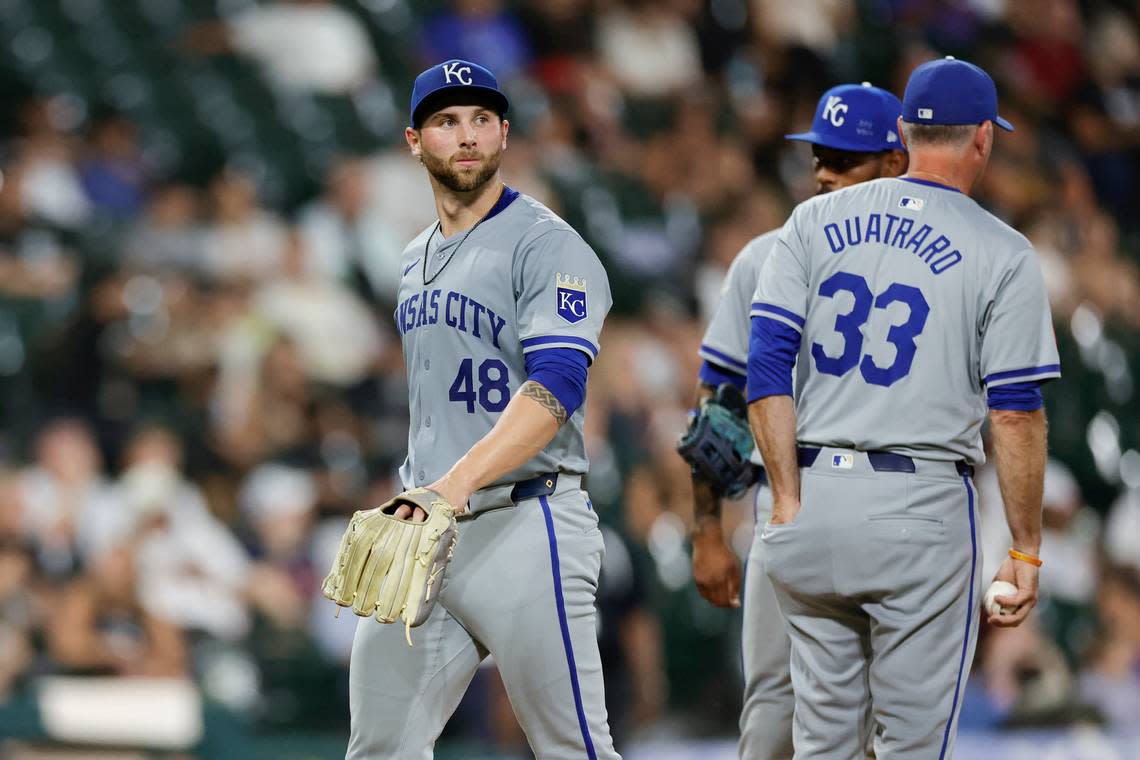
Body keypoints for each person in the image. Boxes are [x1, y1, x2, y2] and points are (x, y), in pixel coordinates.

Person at [747, 56, 1059, 758]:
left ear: (905, 132)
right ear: (983, 137)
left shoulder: (810, 220)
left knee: (823, 743)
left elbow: (765, 368)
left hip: (813, 494)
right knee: (909, 748)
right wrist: (1025, 547)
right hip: (918, 509)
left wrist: (788, 497)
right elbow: (1014, 412)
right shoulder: (1002, 251)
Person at [346, 59, 619, 759]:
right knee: (379, 747)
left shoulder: (547, 243)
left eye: (480, 119)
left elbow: (557, 386)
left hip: (527, 524)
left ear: (503, 132)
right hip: (428, 531)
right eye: (445, 121)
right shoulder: (413, 257)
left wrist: (450, 486)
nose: (465, 135)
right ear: (414, 141)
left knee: (573, 748)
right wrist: (424, 493)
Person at [686, 82, 906, 759]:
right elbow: (717, 404)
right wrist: (707, 533)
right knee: (775, 717)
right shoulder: (763, 256)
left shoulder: (928, 263)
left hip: (899, 503)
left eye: (847, 159)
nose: (824, 174)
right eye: (820, 157)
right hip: (788, 503)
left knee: (888, 718)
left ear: (895, 164)